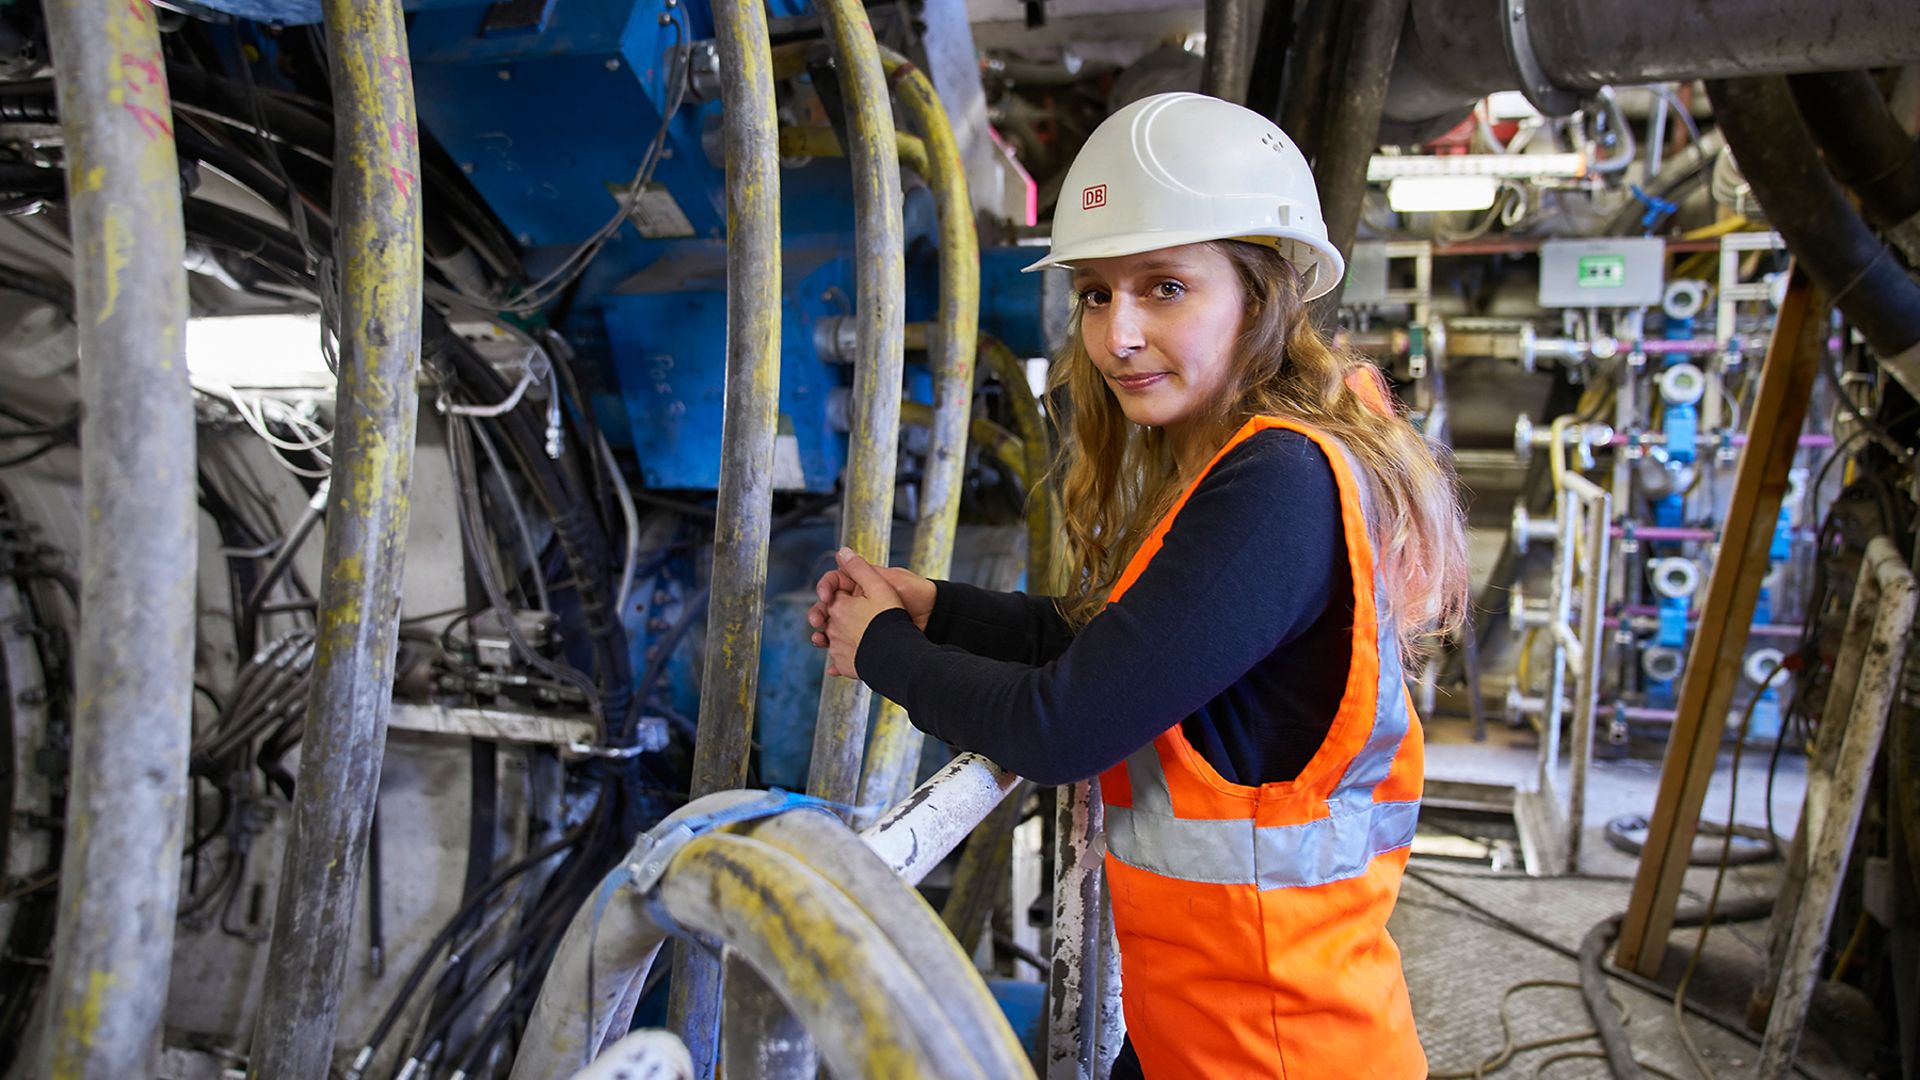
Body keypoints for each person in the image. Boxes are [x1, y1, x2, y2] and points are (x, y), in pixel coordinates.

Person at [808, 92, 1467, 1079]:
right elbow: (1107, 647)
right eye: (1095, 294)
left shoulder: (1277, 484)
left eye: (1163, 287)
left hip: (1279, 1059)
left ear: (1264, 292)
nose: (1116, 335)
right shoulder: (1237, 468)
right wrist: (934, 607)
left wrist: (884, 652)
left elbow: (1062, 726)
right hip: (1199, 1038)